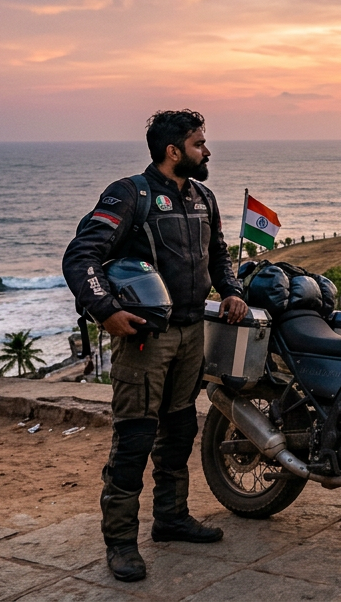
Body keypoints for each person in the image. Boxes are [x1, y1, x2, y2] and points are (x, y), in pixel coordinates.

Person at [63, 110, 247, 583]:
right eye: (199, 143)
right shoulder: (129, 195)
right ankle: (121, 543)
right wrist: (105, 310)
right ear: (173, 150)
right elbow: (82, 254)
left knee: (180, 430)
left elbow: (217, 253)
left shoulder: (203, 196)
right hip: (147, 340)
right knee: (135, 439)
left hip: (192, 333)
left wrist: (231, 291)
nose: (207, 151)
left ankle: (171, 518)